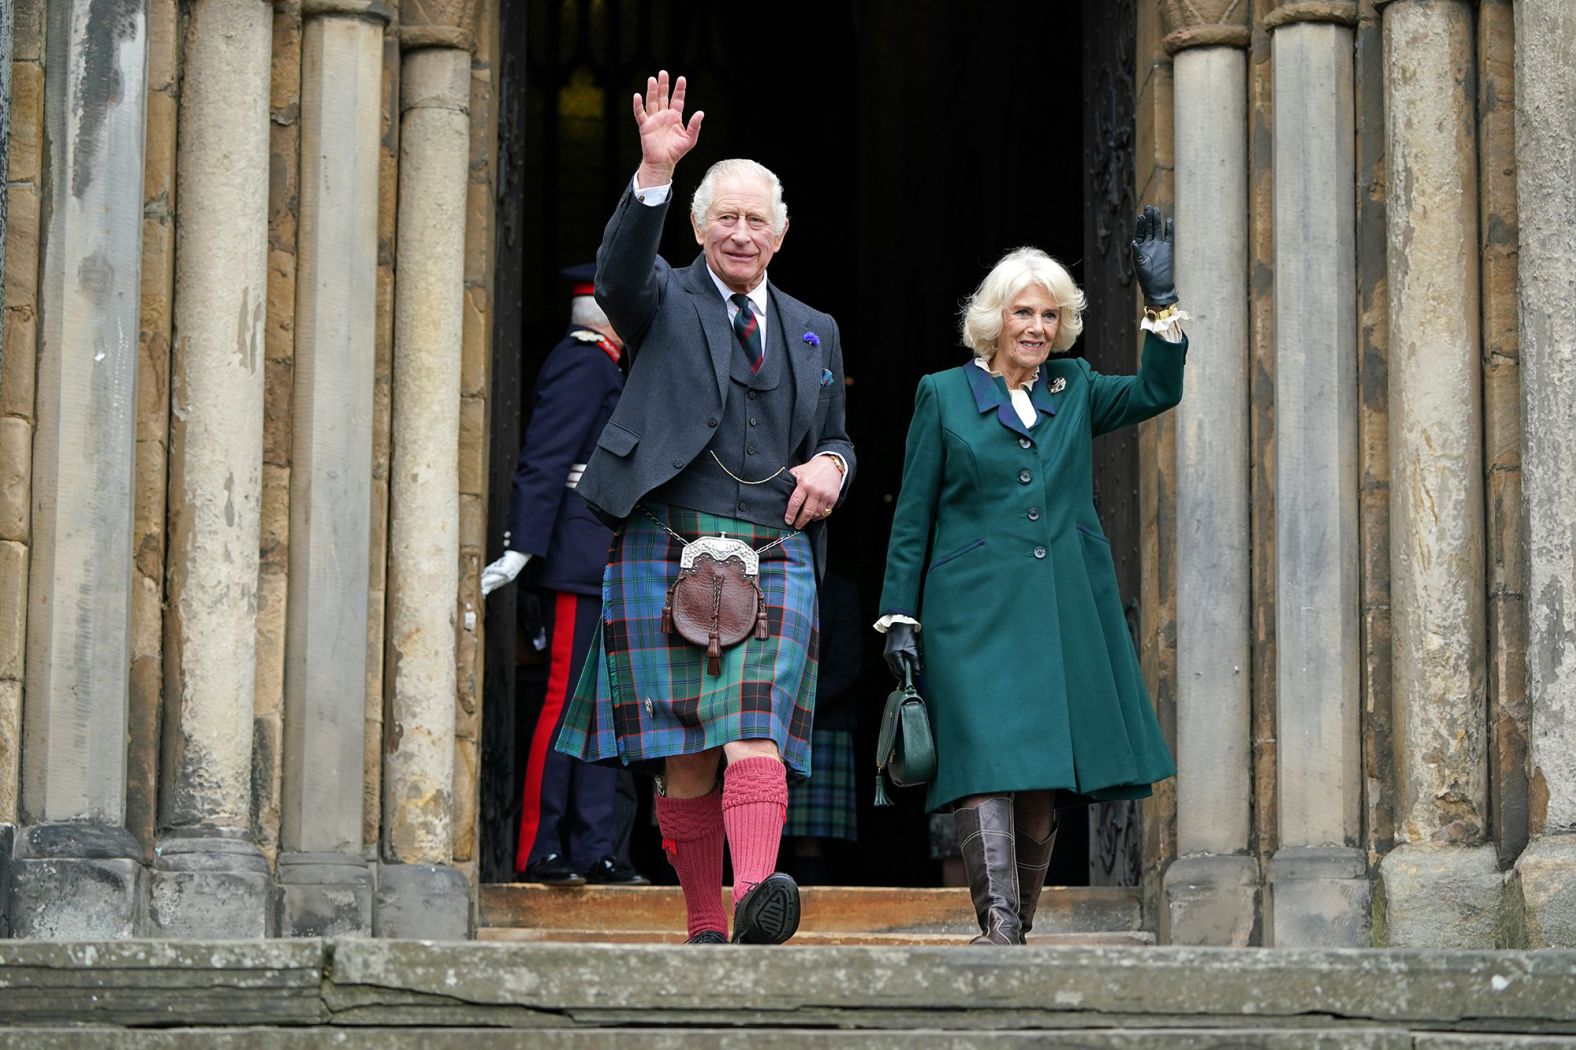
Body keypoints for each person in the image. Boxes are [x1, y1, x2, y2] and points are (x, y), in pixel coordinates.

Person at [554, 71, 855, 945]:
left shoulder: (814, 327)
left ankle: (756, 894)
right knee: (685, 757)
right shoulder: (662, 299)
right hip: (667, 536)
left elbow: (838, 432)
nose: (741, 231)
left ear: (783, 232)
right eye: (725, 215)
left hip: (776, 546)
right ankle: (703, 924)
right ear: (697, 226)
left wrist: (834, 463)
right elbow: (617, 273)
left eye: (757, 218)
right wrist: (653, 172)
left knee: (755, 729)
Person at [876, 208, 1187, 945]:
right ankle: (1000, 929)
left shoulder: (1073, 388)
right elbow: (913, 513)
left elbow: (1156, 393)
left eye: (1051, 315)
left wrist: (1163, 302)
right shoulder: (943, 394)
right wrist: (899, 617)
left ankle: (1019, 931)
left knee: (1041, 783)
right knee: (983, 765)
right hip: (970, 615)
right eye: (1024, 311)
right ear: (995, 317)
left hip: (1058, 612)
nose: (1038, 327)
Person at [480, 265, 646, 887]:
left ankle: (593, 847)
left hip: (604, 558)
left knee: (604, 711)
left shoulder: (609, 367)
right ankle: (540, 847)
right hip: (577, 559)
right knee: (562, 707)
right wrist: (522, 549)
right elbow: (545, 459)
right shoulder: (584, 363)